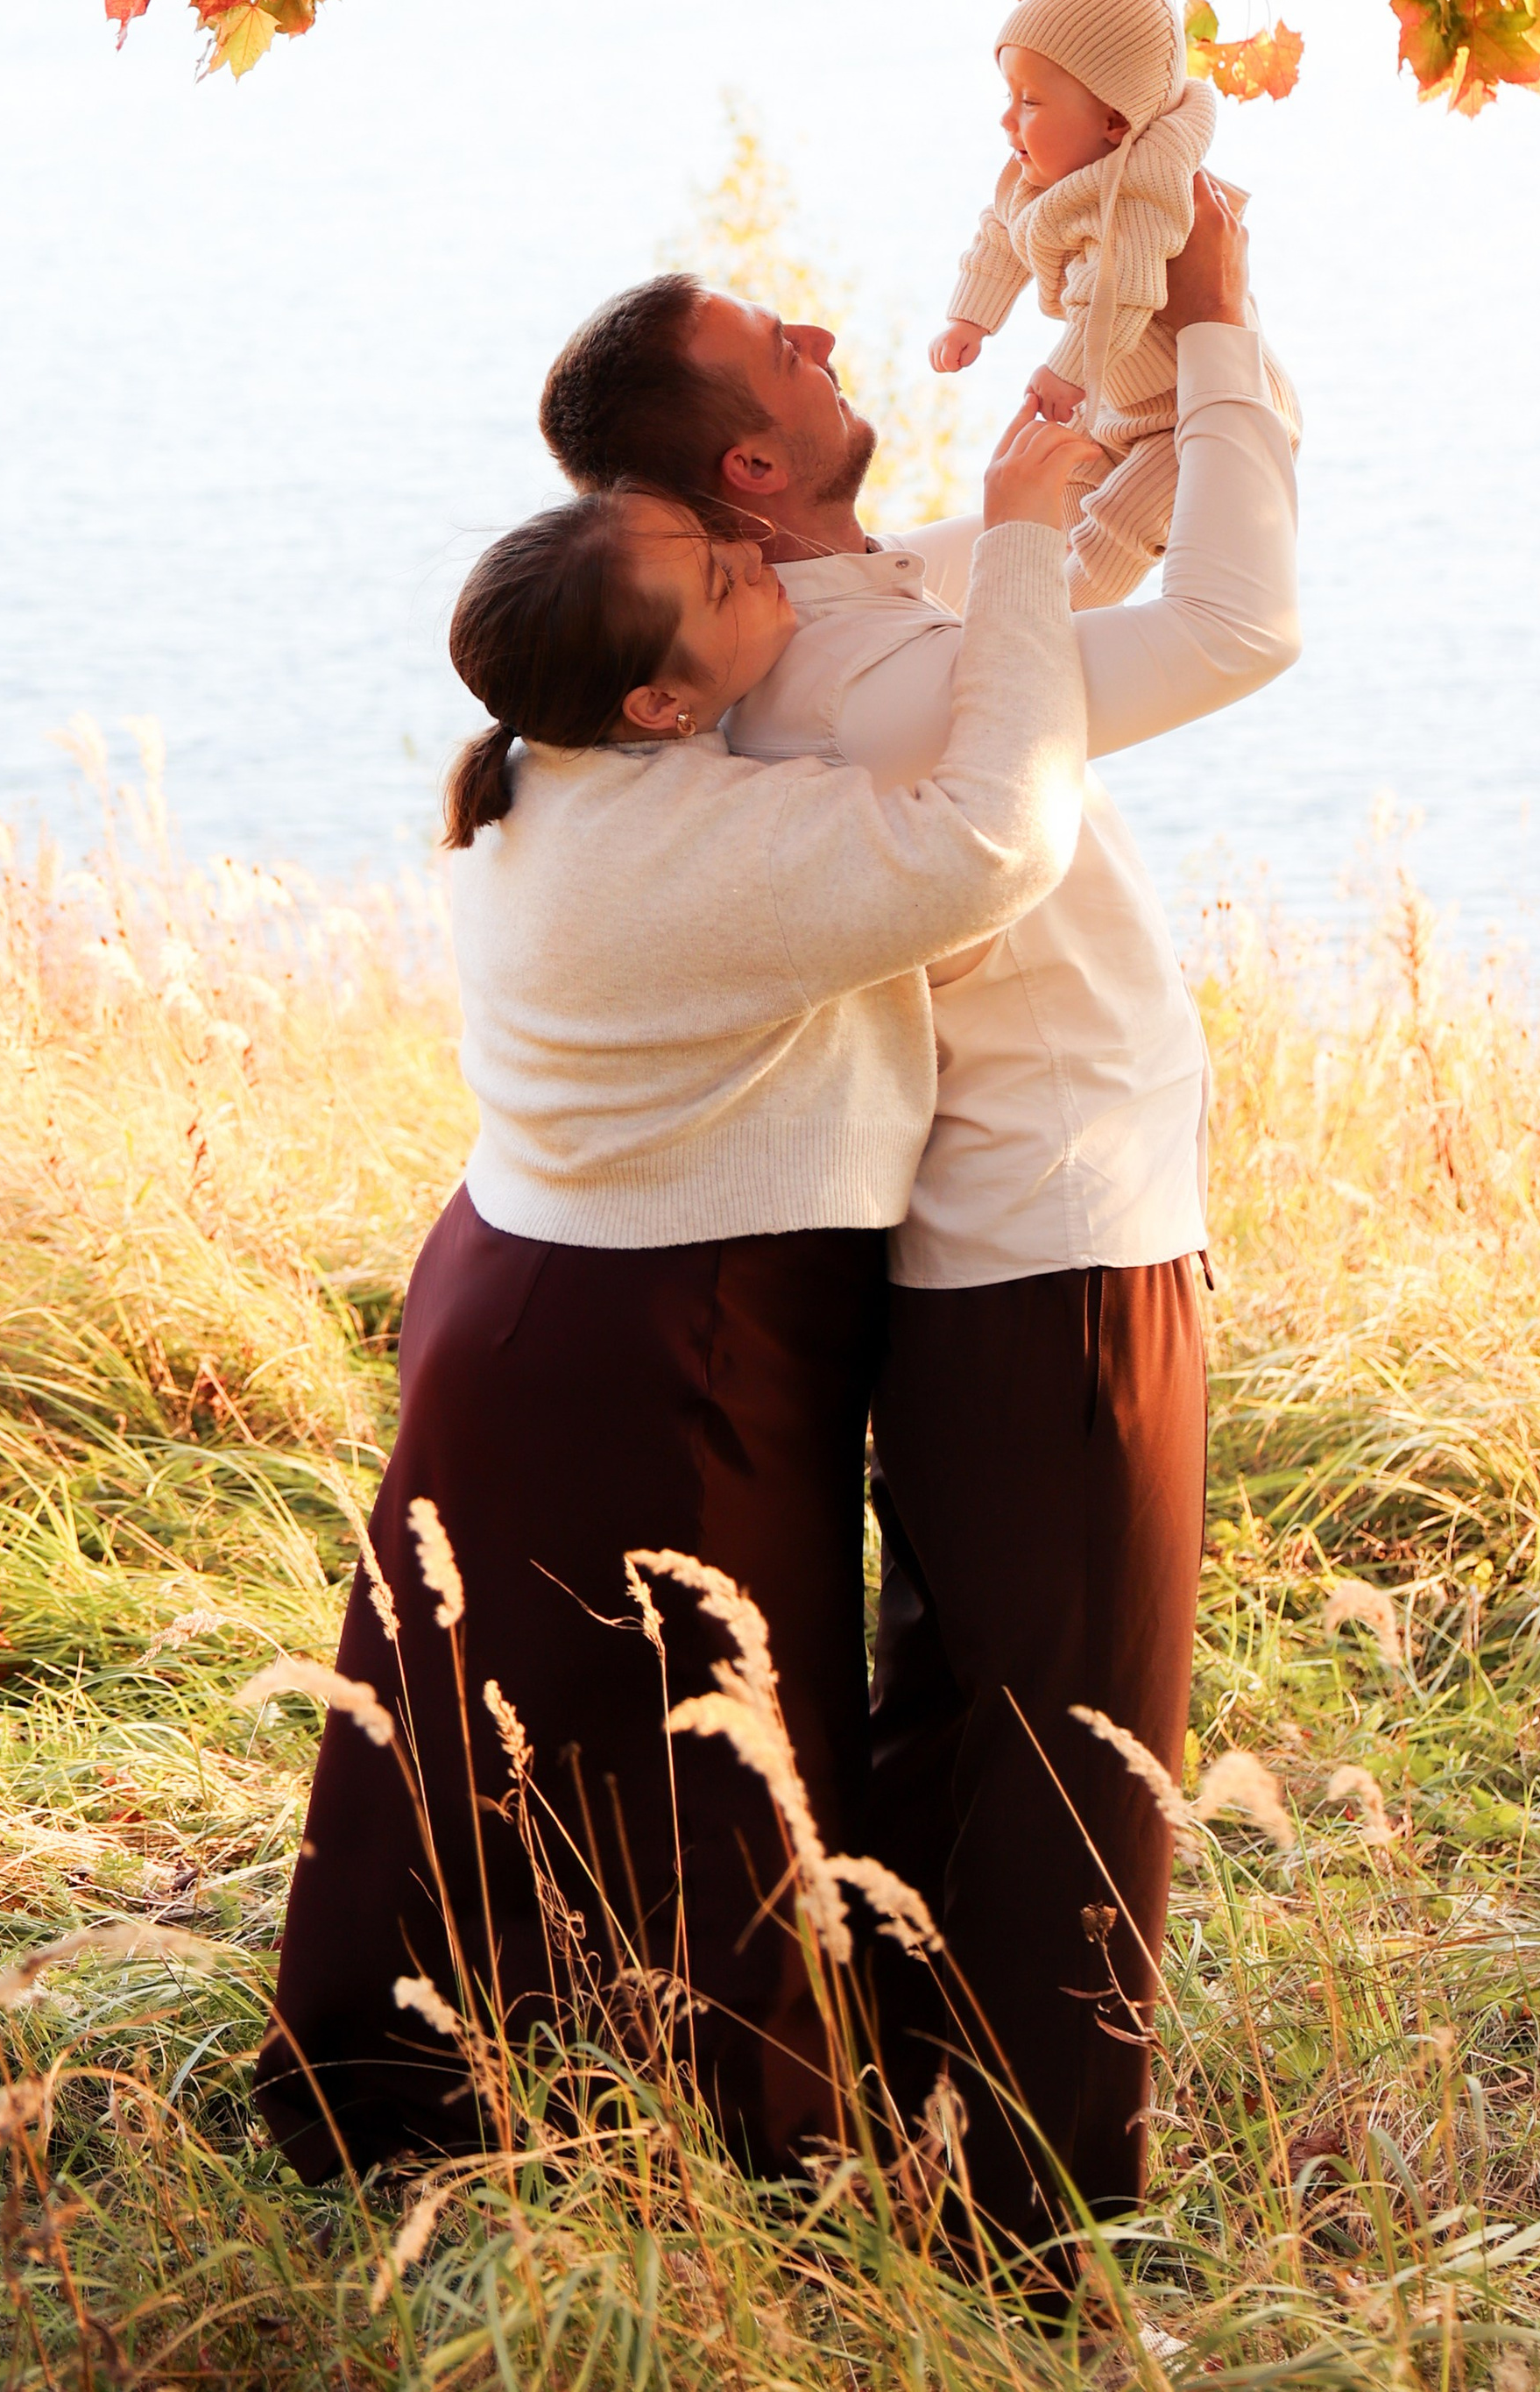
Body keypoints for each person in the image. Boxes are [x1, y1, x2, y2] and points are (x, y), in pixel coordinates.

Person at [535, 172, 1299, 2247]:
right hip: (1054, 1244)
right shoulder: (871, 685)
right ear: (752, 462)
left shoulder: (848, 613)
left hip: (1007, 1246)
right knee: (1070, 1762)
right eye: (771, 338)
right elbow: (1231, 618)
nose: (809, 316)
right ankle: (1034, 2241)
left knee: (967, 1728)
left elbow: (1114, 539)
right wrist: (1211, 336)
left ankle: (892, 2156)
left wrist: (1142, 299)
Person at [256, 400, 1105, 2192]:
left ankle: (437, 2078)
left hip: (536, 1289)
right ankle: (744, 2141)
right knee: (711, 1736)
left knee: (491, 1702)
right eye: (719, 574)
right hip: (658, 1326)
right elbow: (994, 842)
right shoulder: (685, 844)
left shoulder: (565, 784)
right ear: (656, 695)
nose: (751, 565)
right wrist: (1023, 541)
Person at [929, 0, 1301, 608]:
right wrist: (970, 320)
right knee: (1060, 483)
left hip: (1193, 415)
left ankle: (1065, 616)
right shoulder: (1036, 177)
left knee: (1122, 521)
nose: (1008, 120)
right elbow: (999, 235)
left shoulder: (1142, 194)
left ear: (1113, 121)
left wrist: (1065, 369)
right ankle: (1021, 598)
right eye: (1008, 96)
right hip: (1118, 408)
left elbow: (1120, 293)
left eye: (1031, 102)